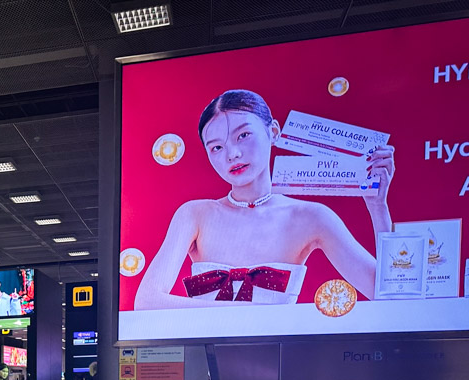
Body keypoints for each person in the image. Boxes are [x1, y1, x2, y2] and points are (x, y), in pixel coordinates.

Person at [134, 89, 395, 310]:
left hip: (285, 362)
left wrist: (378, 208)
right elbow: (146, 302)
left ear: (273, 131)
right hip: (204, 362)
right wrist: (251, 317)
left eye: (243, 135)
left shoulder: (310, 216)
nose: (232, 154)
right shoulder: (195, 214)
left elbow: (385, 294)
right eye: (216, 147)